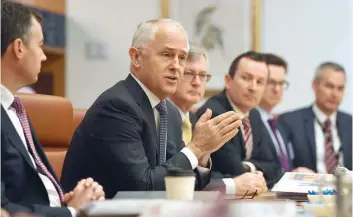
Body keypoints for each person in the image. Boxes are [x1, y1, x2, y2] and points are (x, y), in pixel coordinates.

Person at [61, 19, 242, 198]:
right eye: (166, 54)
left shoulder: (170, 112)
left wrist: (203, 154)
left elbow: (179, 184)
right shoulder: (117, 106)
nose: (176, 66)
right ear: (136, 57)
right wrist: (197, 147)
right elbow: (142, 188)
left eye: (182, 58)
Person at [1, 2, 105, 217]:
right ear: (19, 47)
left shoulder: (14, 108)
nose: (44, 55)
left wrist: (67, 200)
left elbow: (32, 191)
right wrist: (71, 212)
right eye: (40, 45)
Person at [169, 44, 267, 194]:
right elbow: (171, 177)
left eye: (202, 75)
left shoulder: (195, 120)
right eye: (189, 73)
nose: (197, 82)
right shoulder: (163, 119)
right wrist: (232, 185)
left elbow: (208, 175)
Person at [195, 51, 282, 188]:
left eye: (259, 82)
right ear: (228, 81)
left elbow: (275, 168)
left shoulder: (254, 114)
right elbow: (234, 171)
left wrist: (248, 166)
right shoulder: (215, 113)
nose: (253, 87)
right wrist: (253, 169)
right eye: (246, 78)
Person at [278, 62, 352, 173]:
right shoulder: (290, 122)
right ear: (314, 85)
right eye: (329, 86)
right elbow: (281, 164)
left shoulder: (350, 123)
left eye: (340, 88)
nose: (334, 94)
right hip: (309, 188)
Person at [256, 53, 297, 174]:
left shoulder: (279, 124)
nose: (277, 89)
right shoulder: (248, 122)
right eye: (271, 82)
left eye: (281, 83)